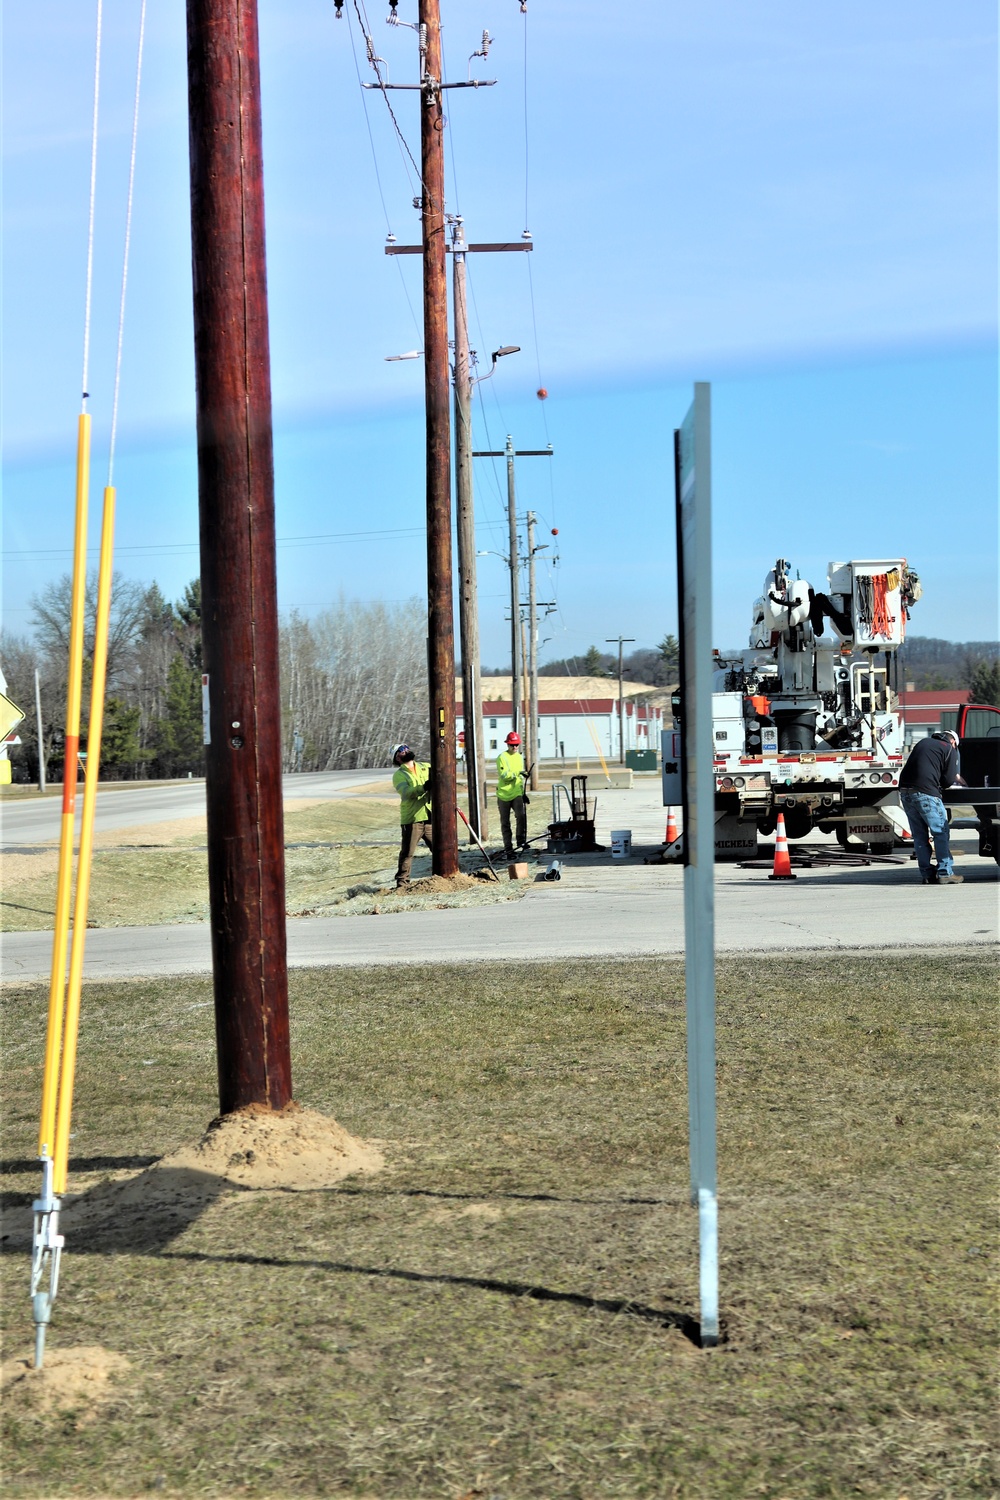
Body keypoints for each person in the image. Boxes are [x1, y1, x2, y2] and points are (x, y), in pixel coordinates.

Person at [899, 729, 965, 885]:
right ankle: (945, 872)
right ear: (953, 742)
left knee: (920, 835)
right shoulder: (949, 748)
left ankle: (927, 874)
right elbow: (948, 780)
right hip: (926, 793)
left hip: (905, 792)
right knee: (940, 832)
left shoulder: (923, 743)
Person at [391, 743, 432, 888]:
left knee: (439, 848)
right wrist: (424, 787)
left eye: (406, 748)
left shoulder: (425, 767)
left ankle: (442, 877)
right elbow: (407, 793)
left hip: (430, 815)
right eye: (401, 750)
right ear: (397, 758)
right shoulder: (399, 775)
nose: (405, 751)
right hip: (413, 818)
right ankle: (402, 883)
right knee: (408, 852)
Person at [496, 730, 528, 859]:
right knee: (505, 822)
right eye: (512, 745)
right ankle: (508, 848)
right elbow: (504, 776)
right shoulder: (502, 757)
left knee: (521, 816)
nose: (514, 747)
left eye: (516, 745)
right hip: (503, 794)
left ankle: (521, 841)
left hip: (516, 793)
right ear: (507, 745)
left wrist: (523, 793)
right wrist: (518, 774)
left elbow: (520, 778)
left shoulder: (520, 757)